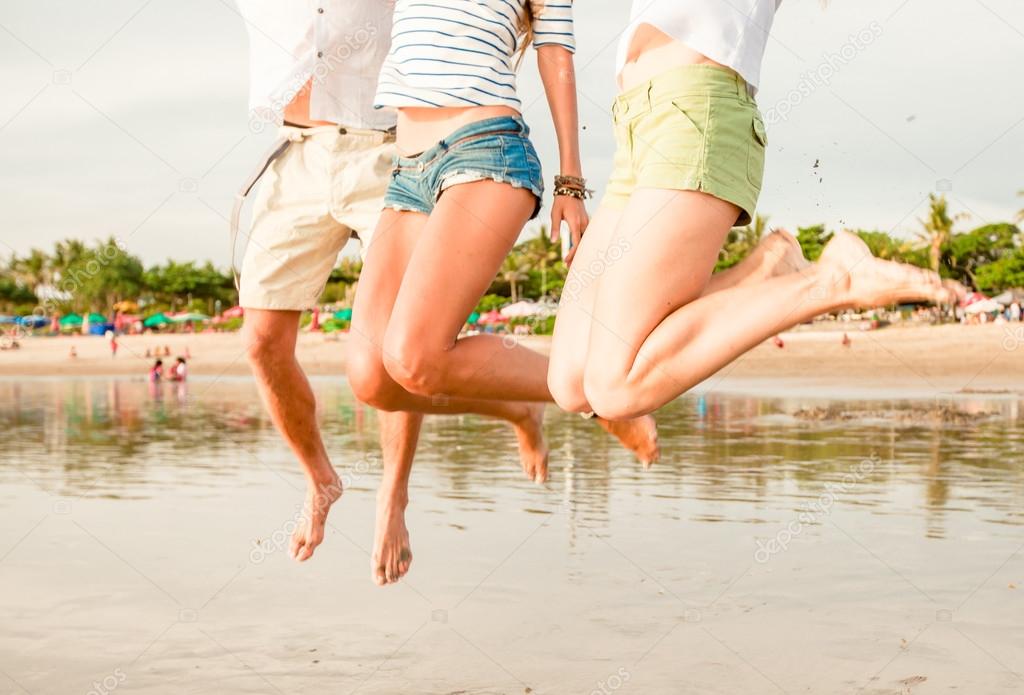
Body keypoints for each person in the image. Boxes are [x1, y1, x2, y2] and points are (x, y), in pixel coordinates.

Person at [234, 0, 576, 579]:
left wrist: (572, 178)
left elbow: (551, 45)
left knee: (405, 347)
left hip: (388, 143)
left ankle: (394, 495)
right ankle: (321, 480)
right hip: (297, 150)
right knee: (267, 343)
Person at [346, 0, 664, 585]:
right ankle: (523, 406)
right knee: (370, 376)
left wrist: (571, 180)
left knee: (413, 357)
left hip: (485, 148)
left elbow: (555, 54)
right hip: (407, 166)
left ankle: (596, 395)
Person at [546, 1, 961, 420]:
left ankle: (834, 280)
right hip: (634, 123)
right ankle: (764, 272)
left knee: (615, 388)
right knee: (571, 381)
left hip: (695, 113)